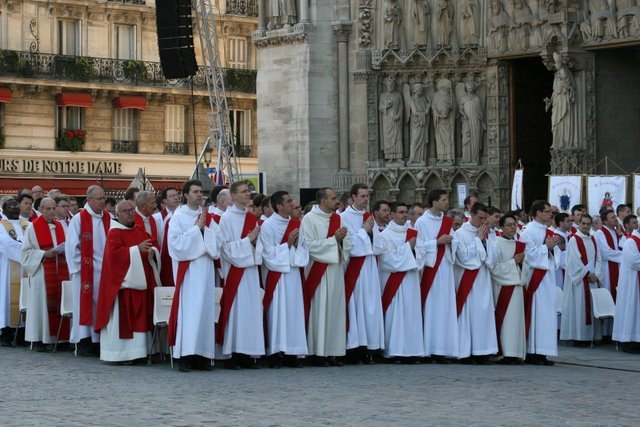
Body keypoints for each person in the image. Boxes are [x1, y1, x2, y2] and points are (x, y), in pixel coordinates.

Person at [167, 180, 219, 372]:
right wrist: (197, 229)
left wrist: (204, 230)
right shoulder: (178, 217)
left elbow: (217, 241)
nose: (200, 195)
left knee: (205, 312)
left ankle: (203, 356)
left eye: (201, 192)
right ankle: (186, 355)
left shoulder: (207, 216)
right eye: (195, 192)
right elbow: (175, 245)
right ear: (186, 195)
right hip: (188, 273)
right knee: (189, 313)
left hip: (205, 270)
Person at [94, 200, 155, 363]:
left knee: (140, 319)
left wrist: (151, 251)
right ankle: (120, 354)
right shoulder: (114, 232)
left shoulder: (140, 230)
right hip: (122, 287)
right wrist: (136, 250)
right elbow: (113, 256)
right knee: (123, 321)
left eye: (131, 210)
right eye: (126, 211)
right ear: (117, 214)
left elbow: (151, 246)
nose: (130, 213)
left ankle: (139, 353)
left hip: (139, 284)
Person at [301, 187, 352, 366]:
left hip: (335, 269)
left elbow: (348, 242)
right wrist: (333, 240)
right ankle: (317, 353)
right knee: (320, 310)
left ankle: (333, 351)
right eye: (333, 198)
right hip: (318, 270)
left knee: (335, 311)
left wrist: (341, 241)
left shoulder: (339, 218)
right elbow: (309, 246)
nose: (337, 201)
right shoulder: (309, 219)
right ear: (323, 201)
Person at [217, 180, 265, 369]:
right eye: (244, 192)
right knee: (237, 312)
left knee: (251, 312)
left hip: (250, 271)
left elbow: (259, 245)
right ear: (234, 196)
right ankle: (234, 355)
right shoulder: (226, 219)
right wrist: (248, 241)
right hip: (235, 272)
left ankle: (248, 354)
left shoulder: (252, 217)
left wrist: (254, 243)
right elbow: (226, 249)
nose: (248, 194)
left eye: (249, 191)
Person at [259, 191, 308, 368]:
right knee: (277, 314)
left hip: (293, 275)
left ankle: (292, 353)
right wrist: (286, 245)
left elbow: (304, 251)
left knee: (293, 313)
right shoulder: (268, 226)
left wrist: (295, 247)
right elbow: (267, 254)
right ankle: (275, 352)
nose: (291, 204)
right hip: (277, 276)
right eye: (288, 202)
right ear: (279, 206)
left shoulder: (296, 224)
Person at [340, 184, 384, 363]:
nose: (366, 199)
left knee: (370, 306)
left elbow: (379, 244)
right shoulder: (342, 217)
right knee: (356, 306)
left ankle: (371, 347)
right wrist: (364, 231)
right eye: (363, 196)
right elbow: (348, 245)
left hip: (370, 266)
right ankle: (354, 348)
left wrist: (370, 235)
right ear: (353, 197)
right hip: (354, 267)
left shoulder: (368, 217)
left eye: (368, 196)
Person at [375, 202, 424, 362]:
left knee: (411, 314)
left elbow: (422, 255)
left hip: (411, 280)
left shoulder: (414, 232)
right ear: (392, 215)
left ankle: (411, 351)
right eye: (401, 212)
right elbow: (386, 260)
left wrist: (413, 250)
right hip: (393, 281)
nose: (404, 215)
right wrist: (407, 248)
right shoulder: (385, 235)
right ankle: (394, 350)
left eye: (406, 212)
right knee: (394, 316)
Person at [65, 185, 111, 353]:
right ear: (89, 199)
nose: (102, 201)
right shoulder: (79, 219)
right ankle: (84, 341)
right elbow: (71, 246)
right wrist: (80, 267)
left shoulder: (109, 218)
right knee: (84, 306)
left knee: (100, 306)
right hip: (85, 271)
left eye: (103, 198)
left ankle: (98, 340)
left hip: (105, 271)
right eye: (99, 199)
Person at [415, 190, 459, 361]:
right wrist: (436, 242)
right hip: (431, 269)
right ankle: (430, 348)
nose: (447, 202)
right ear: (434, 202)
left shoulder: (447, 221)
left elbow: (455, 242)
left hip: (445, 268)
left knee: (445, 307)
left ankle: (444, 348)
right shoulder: (421, 222)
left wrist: (451, 242)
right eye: (443, 199)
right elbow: (418, 246)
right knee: (432, 307)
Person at [21, 198, 70, 350]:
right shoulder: (32, 227)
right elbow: (26, 253)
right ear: (41, 209)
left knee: (58, 302)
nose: (51, 211)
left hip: (59, 270)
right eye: (48, 209)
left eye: (53, 208)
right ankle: (38, 339)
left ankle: (59, 339)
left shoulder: (61, 226)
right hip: (41, 273)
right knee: (40, 306)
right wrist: (43, 254)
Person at [453, 202, 498, 363]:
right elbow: (463, 258)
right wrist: (478, 240)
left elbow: (492, 259)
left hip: (483, 279)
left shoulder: (487, 233)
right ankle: (467, 352)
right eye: (480, 218)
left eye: (486, 218)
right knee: (469, 315)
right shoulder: (460, 233)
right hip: (468, 280)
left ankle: (483, 351)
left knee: (483, 315)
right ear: (471, 215)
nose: (484, 221)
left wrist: (484, 241)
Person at [520, 200, 559, 365]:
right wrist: (546, 247)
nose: (551, 214)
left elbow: (555, 254)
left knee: (546, 315)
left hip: (547, 276)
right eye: (547, 211)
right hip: (535, 277)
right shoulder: (528, 231)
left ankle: (543, 351)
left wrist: (551, 248)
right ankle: (532, 351)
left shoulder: (547, 230)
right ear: (537, 213)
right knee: (537, 313)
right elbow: (527, 255)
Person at [489, 214, 526, 364]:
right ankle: (505, 353)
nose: (512, 227)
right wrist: (513, 263)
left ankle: (515, 352)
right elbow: (494, 269)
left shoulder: (520, 244)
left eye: (514, 224)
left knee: (516, 321)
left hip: (517, 287)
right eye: (509, 225)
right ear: (501, 227)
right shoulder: (496, 244)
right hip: (502, 288)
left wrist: (522, 264)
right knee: (506, 321)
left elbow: (526, 267)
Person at [560, 214, 601, 345]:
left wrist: (597, 274)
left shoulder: (593, 239)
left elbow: (598, 259)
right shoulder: (574, 240)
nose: (585, 226)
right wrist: (587, 273)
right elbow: (574, 261)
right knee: (579, 309)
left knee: (589, 308)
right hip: (579, 281)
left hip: (591, 280)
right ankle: (578, 337)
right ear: (579, 223)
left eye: (588, 224)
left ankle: (588, 337)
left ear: (591, 225)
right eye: (583, 223)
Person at [0, 198, 28, 345]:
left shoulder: (26, 225)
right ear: (3, 210)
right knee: (6, 300)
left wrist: (26, 248)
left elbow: (32, 241)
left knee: (24, 298)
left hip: (26, 269)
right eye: (10, 206)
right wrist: (26, 249)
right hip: (8, 268)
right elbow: (6, 244)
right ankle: (6, 333)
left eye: (16, 206)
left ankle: (21, 334)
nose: (14, 208)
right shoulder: (1, 226)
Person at [594, 208, 623, 340]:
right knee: (608, 298)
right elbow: (605, 252)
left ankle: (614, 332)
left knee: (618, 298)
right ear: (604, 221)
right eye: (612, 217)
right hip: (607, 269)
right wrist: (624, 256)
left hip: (618, 267)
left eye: (615, 217)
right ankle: (606, 334)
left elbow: (623, 245)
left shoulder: (617, 232)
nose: (615, 219)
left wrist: (620, 235)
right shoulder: (600, 233)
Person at [612, 216, 640, 352]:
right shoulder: (631, 242)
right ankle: (627, 341)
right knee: (631, 310)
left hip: (636, 283)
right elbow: (635, 262)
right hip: (632, 284)